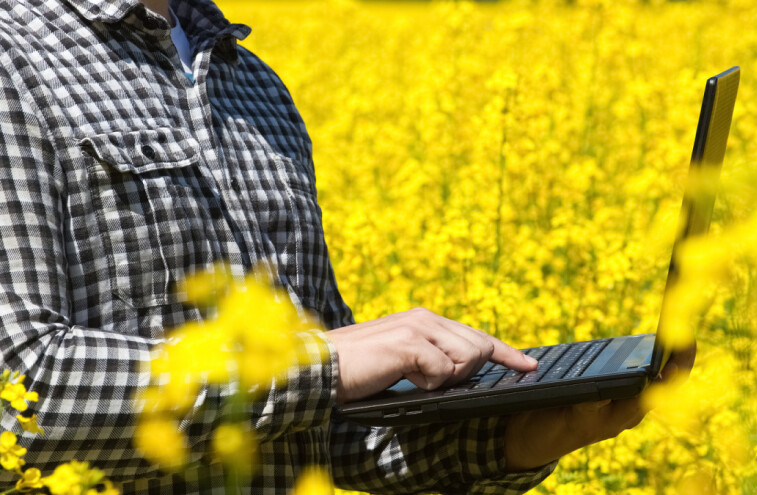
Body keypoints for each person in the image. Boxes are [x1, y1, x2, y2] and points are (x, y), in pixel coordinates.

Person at [0, 0, 695, 492]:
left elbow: (318, 425)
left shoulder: (256, 90)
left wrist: (520, 437)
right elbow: (17, 394)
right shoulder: (13, 61)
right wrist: (318, 362)